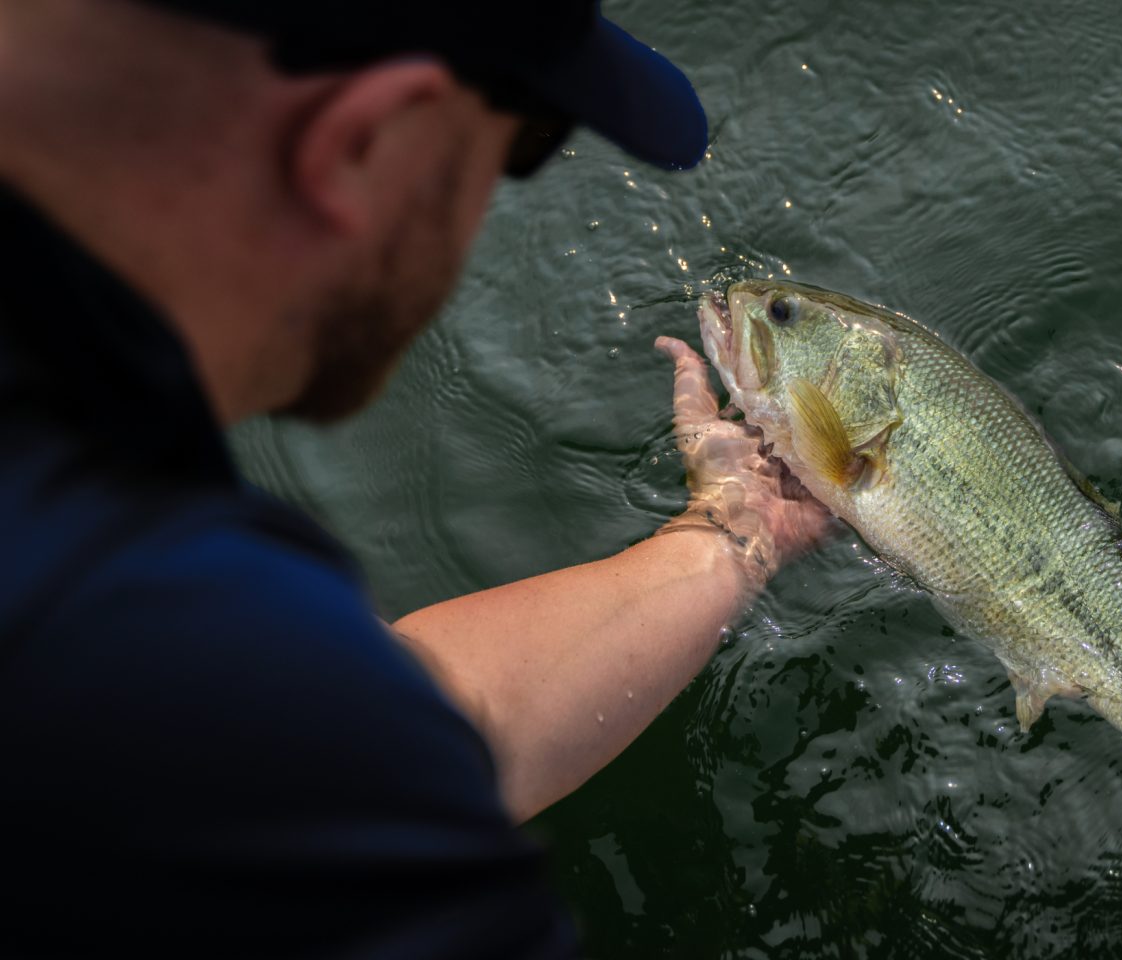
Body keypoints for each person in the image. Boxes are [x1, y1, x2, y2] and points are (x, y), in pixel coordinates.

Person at [0, 0, 830, 955]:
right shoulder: (150, 655)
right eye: (526, 139)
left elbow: (414, 725)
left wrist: (737, 531)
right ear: (358, 144)